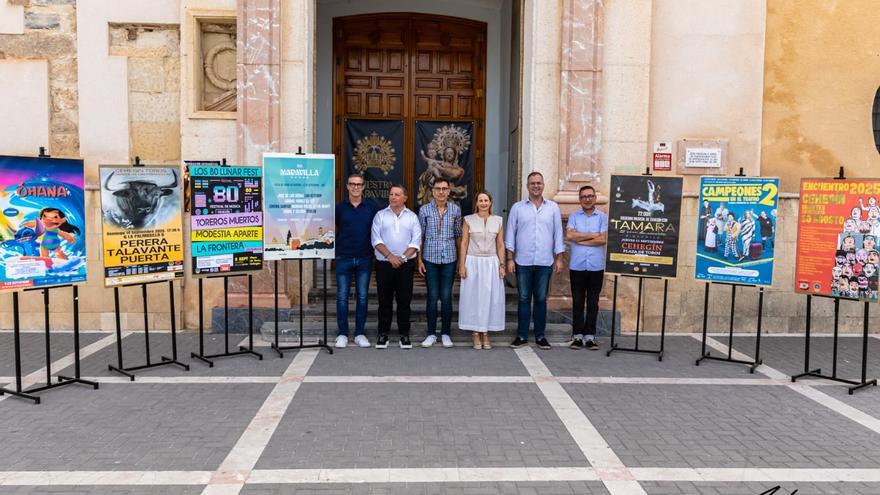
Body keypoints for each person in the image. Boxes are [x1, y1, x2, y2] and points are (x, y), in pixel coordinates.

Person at [505, 171, 565, 349]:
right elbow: (510, 234)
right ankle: (522, 336)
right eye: (532, 183)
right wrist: (509, 259)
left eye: (539, 183)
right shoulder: (517, 208)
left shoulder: (553, 207)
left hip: (545, 262)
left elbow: (558, 234)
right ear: (527, 186)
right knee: (523, 298)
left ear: (543, 185)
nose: (536, 186)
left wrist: (559, 258)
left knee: (540, 299)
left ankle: (540, 336)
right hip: (522, 261)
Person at [371, 185, 422, 349]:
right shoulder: (380, 216)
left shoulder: (412, 217)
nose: (393, 197)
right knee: (384, 300)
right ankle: (383, 334)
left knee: (404, 300)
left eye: (397, 194)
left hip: (405, 265)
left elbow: (416, 241)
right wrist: (390, 257)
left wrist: (401, 258)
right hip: (384, 264)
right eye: (391, 194)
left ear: (405, 198)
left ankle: (404, 335)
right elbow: (376, 239)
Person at [334, 173, 378, 348]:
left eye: (359, 184)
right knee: (342, 297)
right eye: (352, 184)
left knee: (362, 297)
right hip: (343, 256)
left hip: (364, 257)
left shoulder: (371, 208)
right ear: (347, 186)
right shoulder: (339, 208)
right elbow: (335, 226)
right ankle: (343, 333)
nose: (355, 187)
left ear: (363, 187)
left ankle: (360, 333)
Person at [418, 178, 462, 348]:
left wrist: (460, 261)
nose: (441, 192)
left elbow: (458, 236)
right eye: (438, 189)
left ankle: (445, 333)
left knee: (446, 297)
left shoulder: (456, 211)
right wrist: (419, 260)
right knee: (432, 297)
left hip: (450, 259)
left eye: (444, 189)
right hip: (430, 259)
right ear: (433, 191)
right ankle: (430, 333)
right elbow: (419, 237)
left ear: (449, 191)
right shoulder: (424, 210)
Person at [458, 190, 506, 349]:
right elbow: (464, 243)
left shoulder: (498, 220)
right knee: (473, 297)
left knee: (489, 298)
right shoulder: (468, 220)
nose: (483, 203)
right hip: (473, 262)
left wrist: (502, 265)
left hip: (491, 262)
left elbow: (500, 244)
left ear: (490, 202)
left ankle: (485, 332)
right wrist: (462, 265)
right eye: (481, 200)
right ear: (476, 203)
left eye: (486, 200)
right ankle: (475, 332)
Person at [566, 185, 607, 351]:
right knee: (577, 302)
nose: (587, 199)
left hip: (596, 266)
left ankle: (590, 336)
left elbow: (603, 239)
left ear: (595, 198)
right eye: (584, 196)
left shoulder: (602, 217)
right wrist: (593, 235)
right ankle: (577, 336)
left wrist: (580, 238)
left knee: (592, 302)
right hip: (577, 266)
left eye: (590, 196)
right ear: (580, 199)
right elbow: (570, 236)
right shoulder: (574, 216)